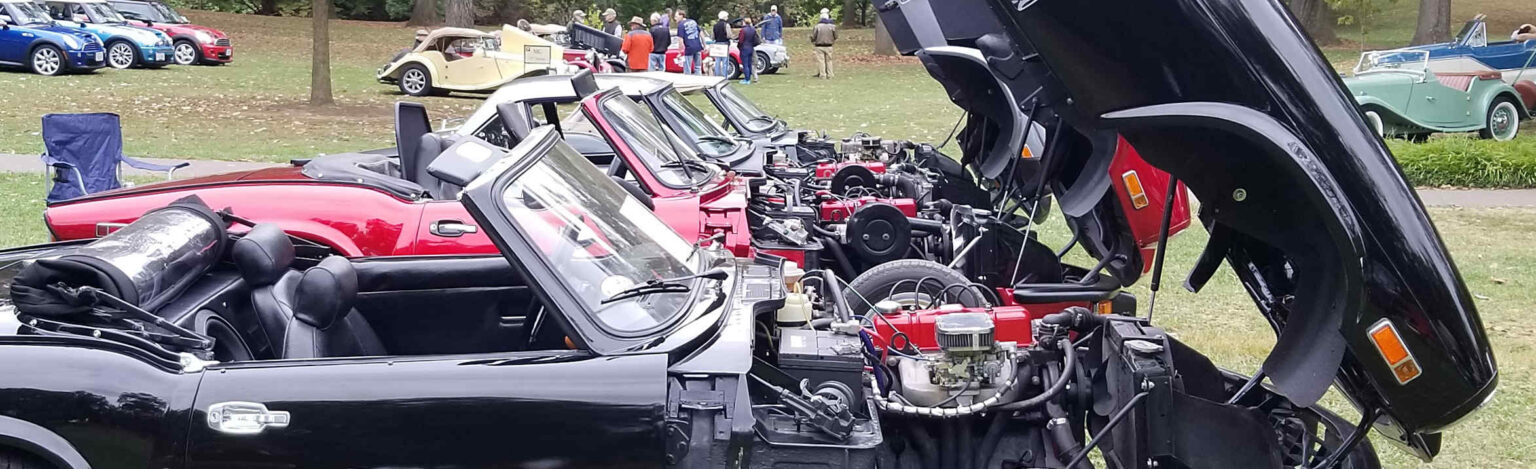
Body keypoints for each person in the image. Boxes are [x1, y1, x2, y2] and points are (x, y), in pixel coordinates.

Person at [811, 8, 837, 79]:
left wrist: (813, 41)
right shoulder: (832, 26)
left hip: (819, 46)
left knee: (821, 61)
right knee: (829, 61)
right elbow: (835, 36)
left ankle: (823, 75)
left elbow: (813, 36)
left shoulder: (817, 26)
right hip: (829, 46)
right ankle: (830, 74)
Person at [677, 9, 703, 75]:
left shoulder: (681, 25)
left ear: (681, 16)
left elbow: (680, 40)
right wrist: (704, 45)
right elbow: (701, 33)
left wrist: (680, 52)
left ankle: (688, 83)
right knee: (698, 67)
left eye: (676, 16)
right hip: (698, 47)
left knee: (687, 68)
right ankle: (699, 82)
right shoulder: (693, 21)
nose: (675, 19)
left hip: (689, 48)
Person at [738, 14, 760, 84]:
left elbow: (741, 40)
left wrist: (739, 46)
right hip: (750, 47)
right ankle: (749, 77)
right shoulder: (753, 29)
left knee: (745, 64)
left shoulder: (743, 30)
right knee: (749, 63)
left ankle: (747, 79)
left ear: (744, 22)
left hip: (744, 48)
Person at [712, 11, 733, 77]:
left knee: (717, 61)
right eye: (726, 16)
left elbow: (712, 37)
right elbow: (729, 35)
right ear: (724, 17)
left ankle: (717, 76)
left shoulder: (715, 25)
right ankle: (724, 76)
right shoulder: (726, 25)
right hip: (724, 44)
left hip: (717, 44)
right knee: (725, 62)